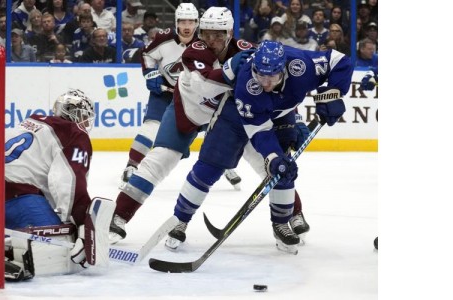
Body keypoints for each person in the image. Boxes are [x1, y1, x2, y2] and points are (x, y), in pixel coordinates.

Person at [163, 40, 353, 253]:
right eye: (260, 75)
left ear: (284, 70)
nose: (265, 83)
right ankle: (180, 219)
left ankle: (281, 224)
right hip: (235, 114)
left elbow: (340, 60)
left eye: (271, 77)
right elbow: (259, 131)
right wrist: (272, 157)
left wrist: (334, 92)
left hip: (282, 114)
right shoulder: (248, 85)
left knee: (285, 170)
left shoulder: (302, 66)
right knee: (209, 166)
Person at [109, 6, 255, 244]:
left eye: (218, 34)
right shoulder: (194, 52)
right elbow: (207, 85)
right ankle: (118, 216)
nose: (211, 40)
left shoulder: (245, 51)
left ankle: (289, 217)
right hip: (186, 112)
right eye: (206, 33)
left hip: (222, 118)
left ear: (230, 32)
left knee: (265, 158)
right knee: (158, 160)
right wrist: (231, 69)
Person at [0, 89, 114, 280]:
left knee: (55, 225)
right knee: (61, 243)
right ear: (76, 114)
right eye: (85, 116)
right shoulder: (73, 134)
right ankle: (10, 251)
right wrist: (82, 222)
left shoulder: (32, 122)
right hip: (15, 199)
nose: (86, 122)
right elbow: (68, 182)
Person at [118, 2, 199, 184]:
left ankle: (226, 167)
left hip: (191, 97)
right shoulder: (164, 38)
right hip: (164, 92)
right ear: (176, 22)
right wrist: (151, 74)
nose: (187, 27)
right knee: (151, 127)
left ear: (197, 23)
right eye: (183, 21)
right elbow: (147, 55)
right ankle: (132, 165)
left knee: (214, 127)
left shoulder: (204, 44)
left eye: (191, 22)